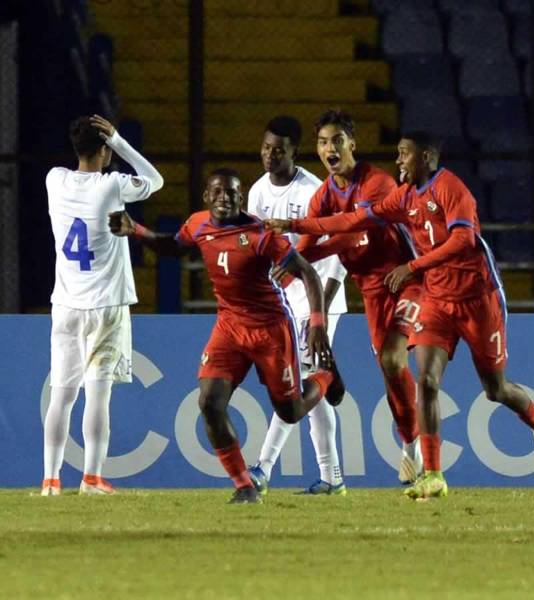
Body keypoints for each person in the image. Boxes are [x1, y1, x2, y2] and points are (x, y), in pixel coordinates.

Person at [266, 131, 534, 500]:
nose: (399, 160)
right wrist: (294, 227)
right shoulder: (403, 198)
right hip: (436, 299)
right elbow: (352, 222)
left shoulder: (452, 189)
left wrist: (413, 266)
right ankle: (433, 474)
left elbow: (463, 242)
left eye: (404, 154)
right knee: (428, 381)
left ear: (426, 157)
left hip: (477, 297)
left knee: (495, 389)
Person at [109, 168, 345, 504]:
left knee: (290, 412)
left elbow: (307, 273)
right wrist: (137, 230)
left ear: (241, 196)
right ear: (207, 196)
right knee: (208, 402)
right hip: (229, 327)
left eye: (232, 193)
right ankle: (245, 486)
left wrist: (318, 324)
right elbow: (175, 247)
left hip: (270, 329)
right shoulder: (198, 224)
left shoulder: (260, 234)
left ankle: (324, 376)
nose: (225, 198)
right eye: (218, 192)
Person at [288, 109, 424, 484]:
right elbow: (303, 253)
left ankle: (425, 453)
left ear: (352, 144)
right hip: (373, 295)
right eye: (322, 142)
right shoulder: (323, 197)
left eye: (336, 141)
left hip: (408, 280)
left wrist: (301, 236)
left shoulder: (376, 183)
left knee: (398, 359)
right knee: (390, 369)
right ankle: (411, 444)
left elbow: (356, 228)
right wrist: (282, 268)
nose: (329, 148)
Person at [42, 115, 164, 497]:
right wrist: (121, 141)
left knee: (62, 395)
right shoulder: (112, 185)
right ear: (105, 149)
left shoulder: (54, 180)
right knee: (98, 394)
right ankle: (91, 478)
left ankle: (50, 480)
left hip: (65, 304)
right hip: (106, 306)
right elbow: (155, 180)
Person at [246, 116, 349, 495]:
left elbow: (338, 254)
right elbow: (257, 249)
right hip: (285, 303)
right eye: (266, 147)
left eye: (279, 150)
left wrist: (321, 314)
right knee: (314, 395)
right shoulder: (257, 192)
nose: (270, 155)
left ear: (295, 153)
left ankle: (263, 468)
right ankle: (332, 477)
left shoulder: (314, 192)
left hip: (318, 299)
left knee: (297, 384)